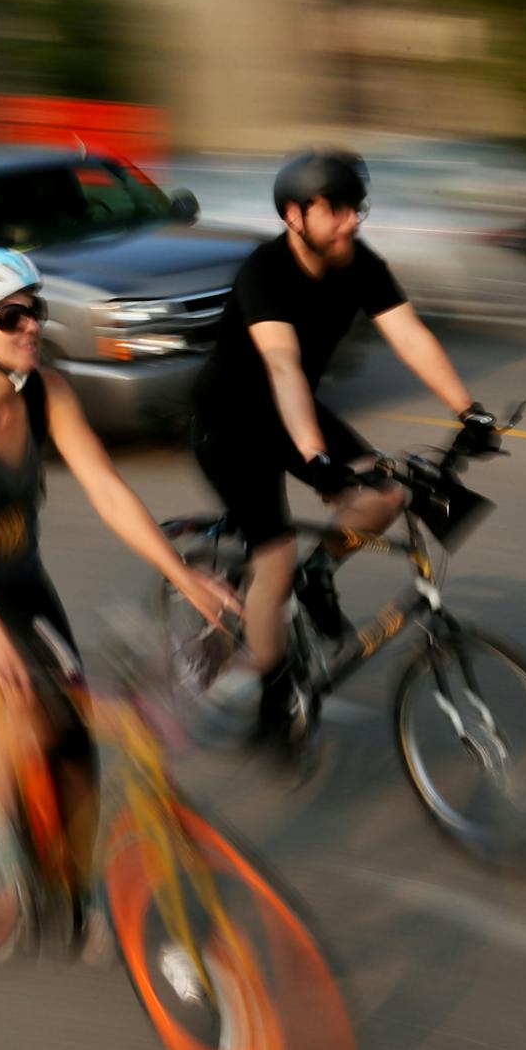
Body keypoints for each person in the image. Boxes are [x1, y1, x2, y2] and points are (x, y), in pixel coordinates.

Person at [0, 247, 237, 945]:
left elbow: (108, 490)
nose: (32, 326)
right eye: (13, 316)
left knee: (75, 738)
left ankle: (77, 898)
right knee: (19, 696)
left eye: (36, 311)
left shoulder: (47, 389)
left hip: (18, 576)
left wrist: (181, 573)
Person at [188, 149, 500, 743]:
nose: (352, 220)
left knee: (384, 497)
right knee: (273, 557)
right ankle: (263, 685)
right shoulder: (265, 271)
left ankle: (319, 574)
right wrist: (315, 457)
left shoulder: (359, 264)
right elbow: (281, 365)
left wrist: (469, 410)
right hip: (230, 422)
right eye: (334, 209)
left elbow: (410, 335)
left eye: (355, 207)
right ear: (293, 216)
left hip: (295, 410)